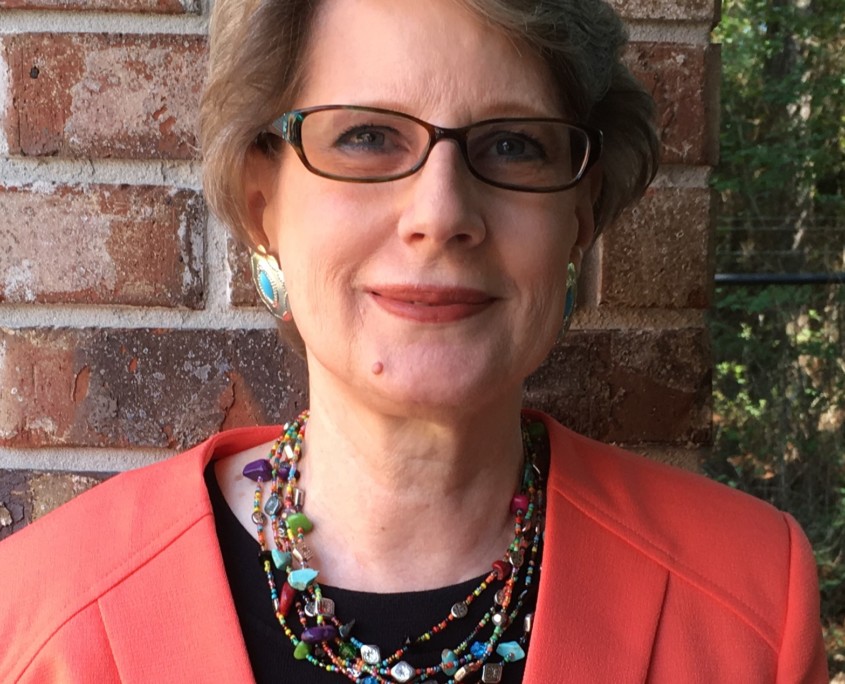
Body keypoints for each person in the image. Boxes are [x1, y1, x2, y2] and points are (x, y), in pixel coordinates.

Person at [0, 0, 827, 681]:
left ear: (578, 219)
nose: (440, 214)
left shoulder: (749, 601)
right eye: (365, 136)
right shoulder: (45, 618)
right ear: (262, 208)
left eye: (512, 144)